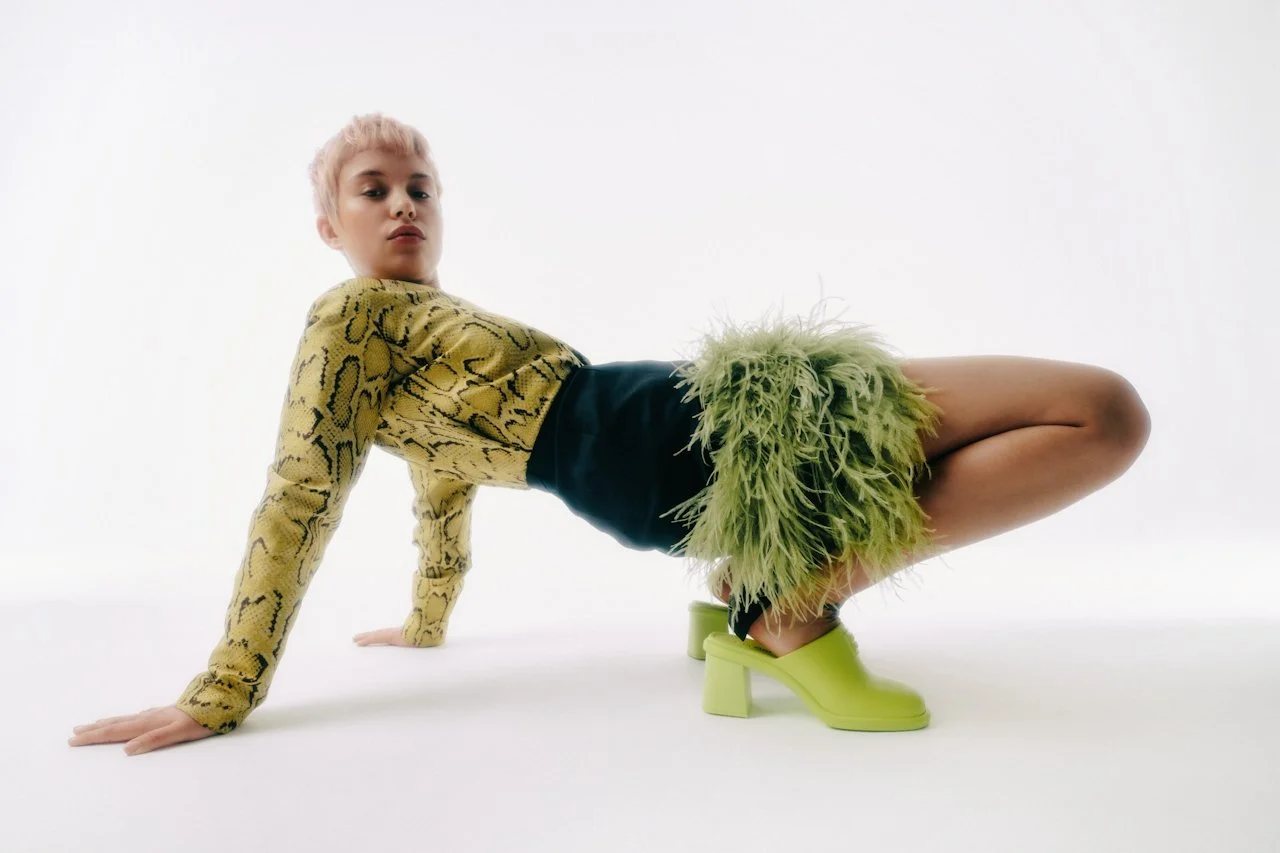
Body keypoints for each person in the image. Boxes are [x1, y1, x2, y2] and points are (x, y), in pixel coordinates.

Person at [68, 113, 1151, 755]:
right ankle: (789, 603)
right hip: (664, 437)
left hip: (659, 427)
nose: (403, 205)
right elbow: (299, 497)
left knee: (1071, 417)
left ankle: (765, 591)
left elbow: (441, 494)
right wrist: (222, 692)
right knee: (1098, 412)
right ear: (328, 226)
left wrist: (425, 621)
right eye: (372, 190)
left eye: (419, 188)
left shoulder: (425, 339)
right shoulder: (349, 319)